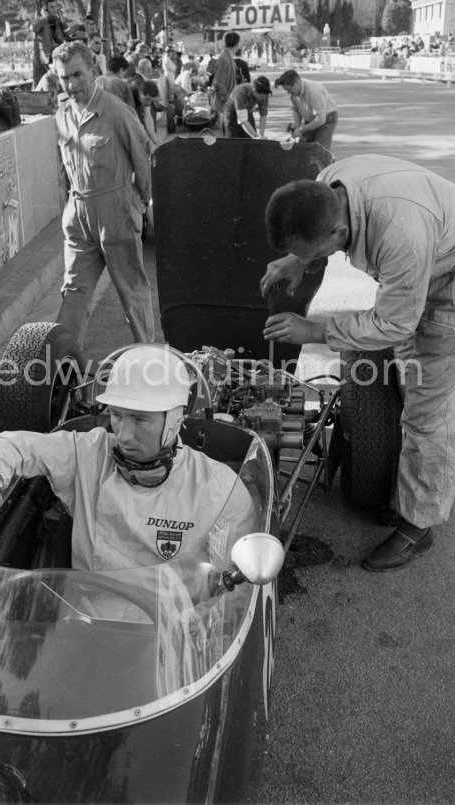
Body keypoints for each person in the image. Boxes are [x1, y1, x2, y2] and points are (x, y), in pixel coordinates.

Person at [0, 345, 255, 595]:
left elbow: (229, 595)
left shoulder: (222, 491)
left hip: (173, 647)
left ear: (174, 419)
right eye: (117, 416)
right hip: (82, 630)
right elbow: (6, 445)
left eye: (140, 419)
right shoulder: (89, 453)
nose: (123, 435)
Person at [260, 154, 455, 573]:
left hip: (449, 280)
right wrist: (301, 258)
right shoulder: (328, 183)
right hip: (420, 260)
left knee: (428, 408)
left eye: (316, 250)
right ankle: (403, 474)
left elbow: (394, 323)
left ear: (340, 232)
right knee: (402, 370)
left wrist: (312, 331)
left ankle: (419, 524)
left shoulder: (400, 235)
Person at [52, 41, 154, 349]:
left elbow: (144, 160)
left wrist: (139, 202)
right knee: (73, 292)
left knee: (131, 293)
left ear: (93, 72)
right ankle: (61, 371)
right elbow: (63, 169)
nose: (71, 84)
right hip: (78, 215)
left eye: (77, 75)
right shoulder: (62, 115)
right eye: (64, 77)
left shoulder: (117, 112)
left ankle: (149, 360)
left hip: (116, 213)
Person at [274, 69, 338, 152]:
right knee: (304, 148)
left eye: (289, 89)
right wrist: (297, 125)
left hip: (326, 120)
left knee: (321, 151)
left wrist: (301, 130)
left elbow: (320, 120)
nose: (288, 92)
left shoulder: (314, 91)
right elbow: (296, 110)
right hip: (311, 120)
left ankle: (326, 164)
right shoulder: (294, 93)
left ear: (296, 83)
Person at [223, 75, 271, 139]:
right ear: (254, 91)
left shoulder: (264, 94)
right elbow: (243, 120)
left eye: (265, 96)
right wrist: (256, 137)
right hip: (231, 113)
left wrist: (261, 135)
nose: (264, 98)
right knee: (233, 141)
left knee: (250, 142)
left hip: (248, 111)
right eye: (262, 96)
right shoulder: (240, 92)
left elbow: (263, 116)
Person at [211, 31, 240, 129]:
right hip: (225, 105)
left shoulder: (228, 58)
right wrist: (229, 101)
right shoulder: (224, 59)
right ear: (237, 44)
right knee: (227, 134)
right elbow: (219, 83)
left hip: (229, 104)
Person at [32, 0, 72, 68]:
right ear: (46, 9)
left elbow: (68, 34)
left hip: (60, 52)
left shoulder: (58, 20)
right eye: (51, 7)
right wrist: (44, 17)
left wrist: (62, 21)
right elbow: (34, 28)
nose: (54, 9)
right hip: (49, 56)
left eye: (55, 7)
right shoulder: (41, 21)